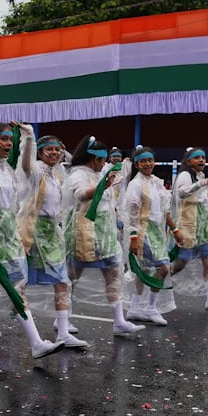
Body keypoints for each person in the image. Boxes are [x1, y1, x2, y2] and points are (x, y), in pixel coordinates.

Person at [0, 121, 64, 358]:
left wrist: (29, 137)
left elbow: (24, 173)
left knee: (17, 286)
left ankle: (36, 343)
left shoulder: (8, 168)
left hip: (7, 232)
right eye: (3, 139)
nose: (8, 143)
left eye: (10, 139)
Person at [62, 137, 146, 336]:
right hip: (84, 233)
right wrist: (104, 184)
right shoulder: (78, 174)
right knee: (72, 278)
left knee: (113, 273)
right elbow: (81, 195)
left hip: (106, 233)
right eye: (101, 160)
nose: (103, 163)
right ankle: (63, 321)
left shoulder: (102, 172)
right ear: (93, 159)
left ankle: (119, 321)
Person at [21, 135, 88, 348]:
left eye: (57, 149)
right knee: (18, 285)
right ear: (39, 153)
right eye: (48, 149)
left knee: (62, 281)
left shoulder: (57, 173)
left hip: (51, 233)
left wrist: (62, 152)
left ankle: (63, 333)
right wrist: (29, 138)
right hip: (31, 232)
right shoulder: (36, 170)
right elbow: (25, 165)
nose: (54, 153)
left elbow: (68, 160)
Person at [123, 147, 184, 324]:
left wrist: (175, 230)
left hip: (157, 231)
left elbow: (165, 211)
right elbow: (133, 212)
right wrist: (133, 238)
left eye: (150, 160)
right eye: (143, 161)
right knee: (162, 268)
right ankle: (150, 308)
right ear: (137, 164)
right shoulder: (135, 185)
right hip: (143, 232)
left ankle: (135, 308)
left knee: (147, 269)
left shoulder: (156, 182)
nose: (148, 164)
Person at [167, 146, 208, 311]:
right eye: (197, 158)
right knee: (181, 261)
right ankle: (156, 284)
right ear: (189, 161)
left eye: (203, 157)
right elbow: (181, 193)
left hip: (203, 226)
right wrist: (201, 184)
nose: (202, 160)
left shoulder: (200, 175)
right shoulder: (185, 175)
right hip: (189, 224)